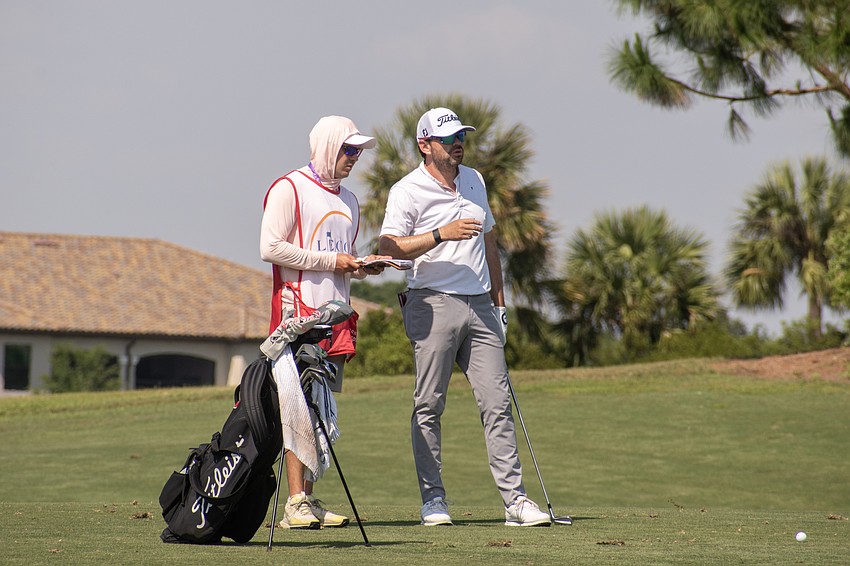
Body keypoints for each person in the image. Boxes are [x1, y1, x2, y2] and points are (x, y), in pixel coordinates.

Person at [378, 107, 552, 527]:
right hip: (431, 302)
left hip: (480, 306)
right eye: (448, 138)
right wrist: (441, 234)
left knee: (497, 403)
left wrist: (500, 302)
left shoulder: (474, 179)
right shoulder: (407, 190)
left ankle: (516, 502)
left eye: (461, 136)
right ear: (425, 145)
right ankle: (433, 501)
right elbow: (388, 247)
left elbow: (490, 242)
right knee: (429, 405)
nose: (458, 143)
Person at [260, 115, 388, 530]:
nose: (355, 158)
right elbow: (271, 248)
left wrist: (361, 267)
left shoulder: (350, 200)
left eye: (358, 152)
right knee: (298, 406)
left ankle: (308, 501)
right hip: (298, 314)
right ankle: (294, 501)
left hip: (337, 317)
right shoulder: (289, 188)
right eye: (348, 150)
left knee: (324, 409)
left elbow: (340, 260)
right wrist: (334, 261)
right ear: (328, 147)